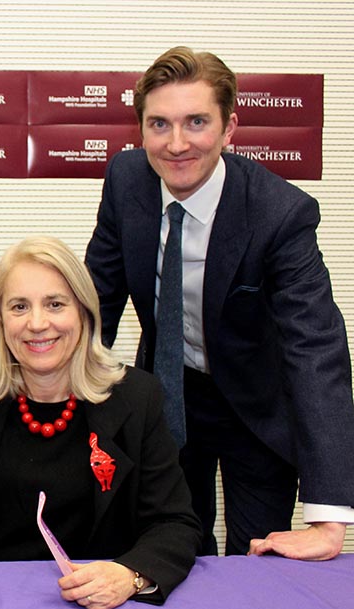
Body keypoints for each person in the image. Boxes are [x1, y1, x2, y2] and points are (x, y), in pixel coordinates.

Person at [85, 46, 354, 560]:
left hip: (256, 406)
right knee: (172, 546)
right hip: (167, 392)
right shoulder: (126, 181)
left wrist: (328, 514)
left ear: (230, 128)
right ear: (140, 130)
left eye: (197, 122)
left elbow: (316, 351)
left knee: (258, 558)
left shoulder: (280, 214)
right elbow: (97, 299)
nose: (177, 143)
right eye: (159, 124)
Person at [0, 238, 201, 609]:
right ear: (0, 320)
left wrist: (130, 575)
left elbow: (175, 523)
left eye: (55, 304)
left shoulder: (135, 397)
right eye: (19, 307)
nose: (37, 324)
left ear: (84, 312)